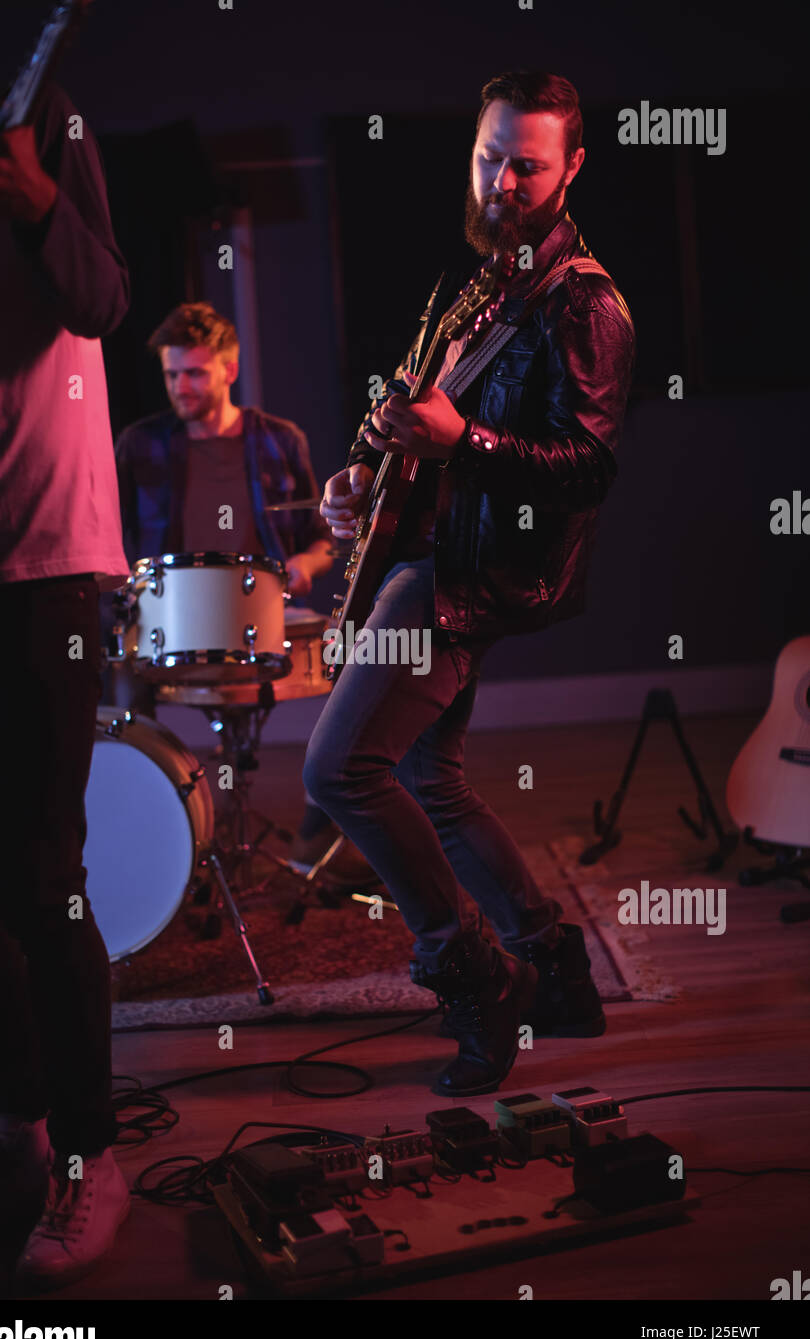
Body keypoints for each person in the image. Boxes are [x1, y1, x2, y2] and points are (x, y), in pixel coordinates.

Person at [305, 71, 636, 1097]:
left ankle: (475, 976)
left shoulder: (583, 301)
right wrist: (363, 474)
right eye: (489, 156)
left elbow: (586, 466)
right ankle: (558, 975)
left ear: (571, 167)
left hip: (470, 570)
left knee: (336, 771)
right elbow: (412, 410)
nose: (502, 179)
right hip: (429, 542)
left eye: (527, 164)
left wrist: (468, 441)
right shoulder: (484, 279)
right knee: (425, 776)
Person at [0, 83, 131, 1287]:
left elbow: (103, 297)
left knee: (38, 873)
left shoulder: (37, 119)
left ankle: (92, 1157)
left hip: (40, 555)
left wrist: (33, 200)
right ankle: (23, 1128)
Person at [110, 301, 378, 888]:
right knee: (118, 698)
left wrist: (300, 570)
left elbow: (320, 541)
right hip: (168, 625)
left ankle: (318, 835)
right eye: (172, 374)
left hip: (270, 616)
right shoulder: (139, 444)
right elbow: (111, 540)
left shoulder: (279, 440)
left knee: (370, 669)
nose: (181, 386)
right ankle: (152, 841)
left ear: (229, 371)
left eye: (195, 373)